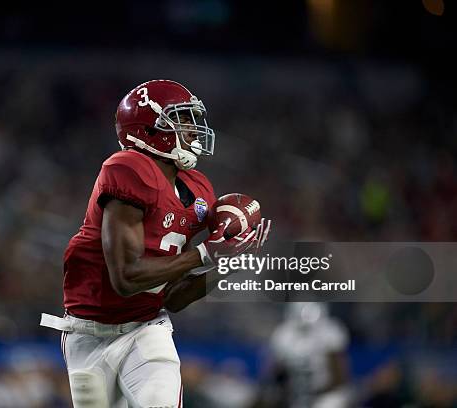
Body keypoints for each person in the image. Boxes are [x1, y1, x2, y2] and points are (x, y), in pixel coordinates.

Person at [40, 79, 271, 408]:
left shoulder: (198, 189)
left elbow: (174, 298)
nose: (193, 129)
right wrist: (205, 253)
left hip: (147, 327)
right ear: (148, 129)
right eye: (183, 119)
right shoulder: (127, 169)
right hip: (88, 334)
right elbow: (125, 278)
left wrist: (225, 262)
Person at [267, 302, 353, 408]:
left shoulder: (329, 332)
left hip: (325, 395)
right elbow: (274, 372)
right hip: (295, 396)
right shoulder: (284, 334)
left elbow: (340, 373)